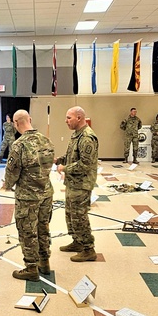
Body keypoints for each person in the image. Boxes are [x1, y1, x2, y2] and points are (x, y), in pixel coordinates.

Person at [2, 110, 55, 280]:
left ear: (16, 123)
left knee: (27, 231)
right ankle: (45, 263)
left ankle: (31, 268)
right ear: (30, 120)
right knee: (43, 228)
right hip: (46, 193)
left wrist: (7, 185)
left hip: (28, 196)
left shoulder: (19, 145)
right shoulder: (46, 140)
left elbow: (12, 171)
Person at [55, 106, 98, 262]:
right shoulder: (76, 135)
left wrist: (64, 168)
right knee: (71, 215)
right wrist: (59, 160)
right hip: (73, 182)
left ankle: (88, 249)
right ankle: (77, 242)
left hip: (82, 184)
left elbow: (85, 164)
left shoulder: (87, 137)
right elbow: (71, 156)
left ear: (79, 118)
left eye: (69, 118)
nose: (66, 121)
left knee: (79, 216)